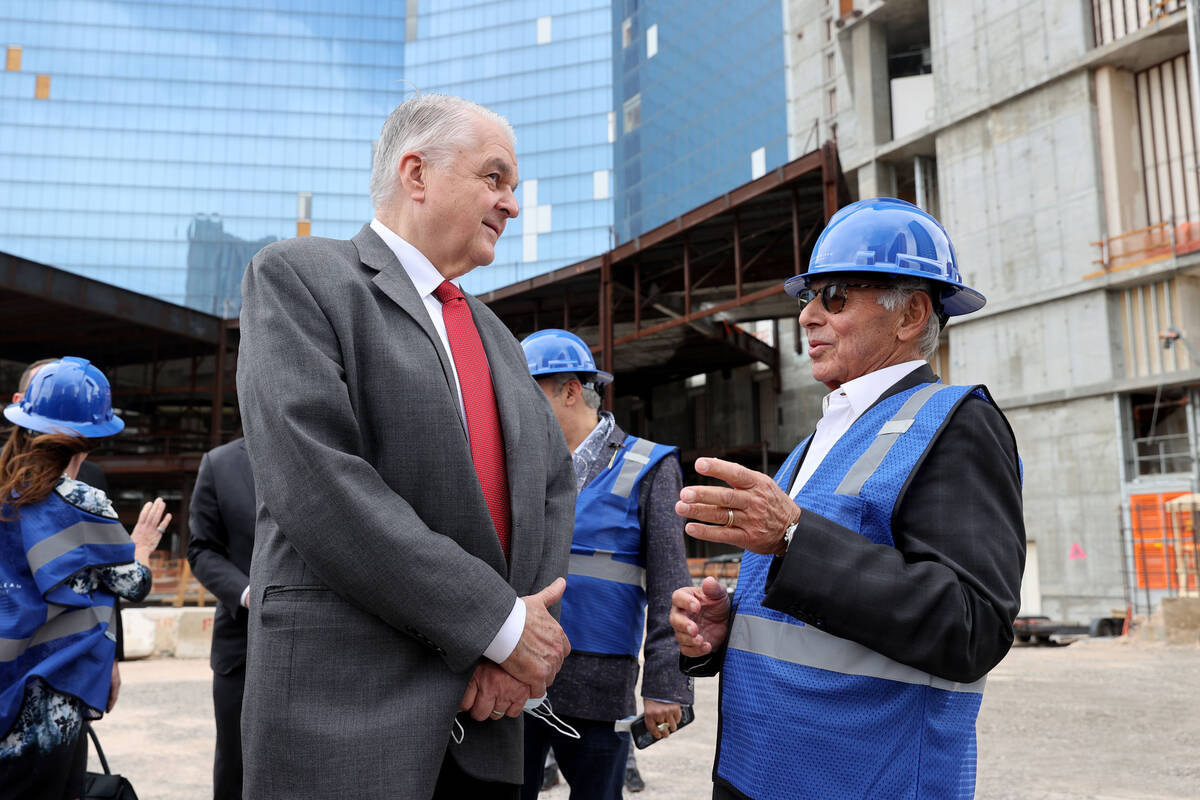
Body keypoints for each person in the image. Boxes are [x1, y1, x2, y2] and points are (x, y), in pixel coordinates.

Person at [236, 93, 576, 800]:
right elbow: (319, 482)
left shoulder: (498, 338)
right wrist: (501, 625)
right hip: (345, 716)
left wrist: (508, 650)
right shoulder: (299, 279)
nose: (511, 204)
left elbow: (550, 486)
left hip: (486, 720)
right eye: (495, 178)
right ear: (416, 174)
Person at [669, 198, 1026, 800]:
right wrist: (729, 627)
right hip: (756, 772)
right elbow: (814, 607)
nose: (807, 316)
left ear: (910, 314)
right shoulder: (820, 439)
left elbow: (971, 627)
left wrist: (793, 537)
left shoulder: (955, 423)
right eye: (806, 298)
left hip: (862, 780)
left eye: (834, 296)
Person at [519, 330, 693, 800]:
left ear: (571, 390)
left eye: (527, 396)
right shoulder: (519, 466)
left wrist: (667, 684)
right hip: (516, 675)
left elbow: (670, 585)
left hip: (597, 685)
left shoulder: (647, 466)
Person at [0, 357, 171, 799]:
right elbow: (132, 584)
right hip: (47, 702)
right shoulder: (82, 502)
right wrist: (143, 546)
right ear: (91, 440)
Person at [186, 436, 254, 800]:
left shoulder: (327, 447)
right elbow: (201, 549)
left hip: (322, 642)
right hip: (243, 646)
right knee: (236, 767)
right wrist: (246, 593)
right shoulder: (220, 463)